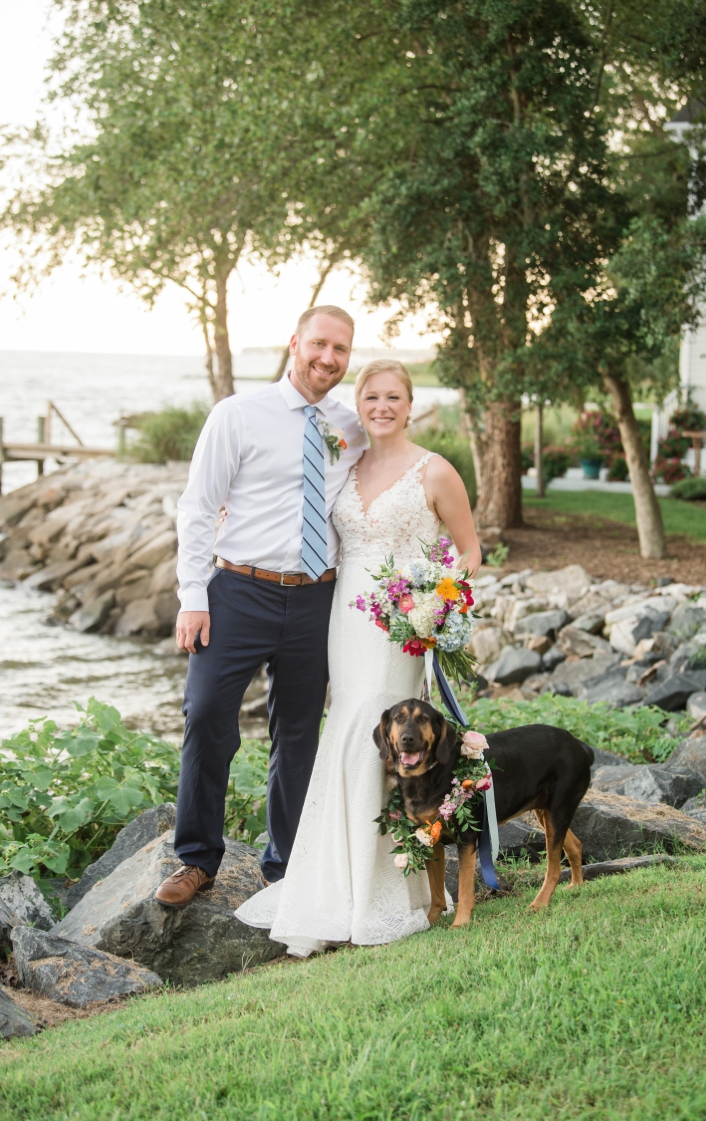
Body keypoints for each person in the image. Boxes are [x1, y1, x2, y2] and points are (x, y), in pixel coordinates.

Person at [236, 359, 480, 954]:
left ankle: (382, 887)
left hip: (400, 628)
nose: (382, 406)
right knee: (344, 727)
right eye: (371, 396)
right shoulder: (345, 461)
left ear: (410, 404)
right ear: (360, 402)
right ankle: (335, 879)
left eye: (394, 397)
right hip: (343, 617)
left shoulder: (436, 470)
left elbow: (470, 554)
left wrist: (436, 605)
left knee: (377, 733)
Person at [156, 305, 365, 909]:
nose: (328, 359)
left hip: (316, 597)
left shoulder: (349, 427)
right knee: (205, 716)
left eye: (341, 351)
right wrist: (192, 597)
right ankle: (196, 859)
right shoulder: (237, 415)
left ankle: (287, 867)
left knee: (298, 733)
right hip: (237, 591)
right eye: (319, 345)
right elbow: (198, 507)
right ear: (295, 343)